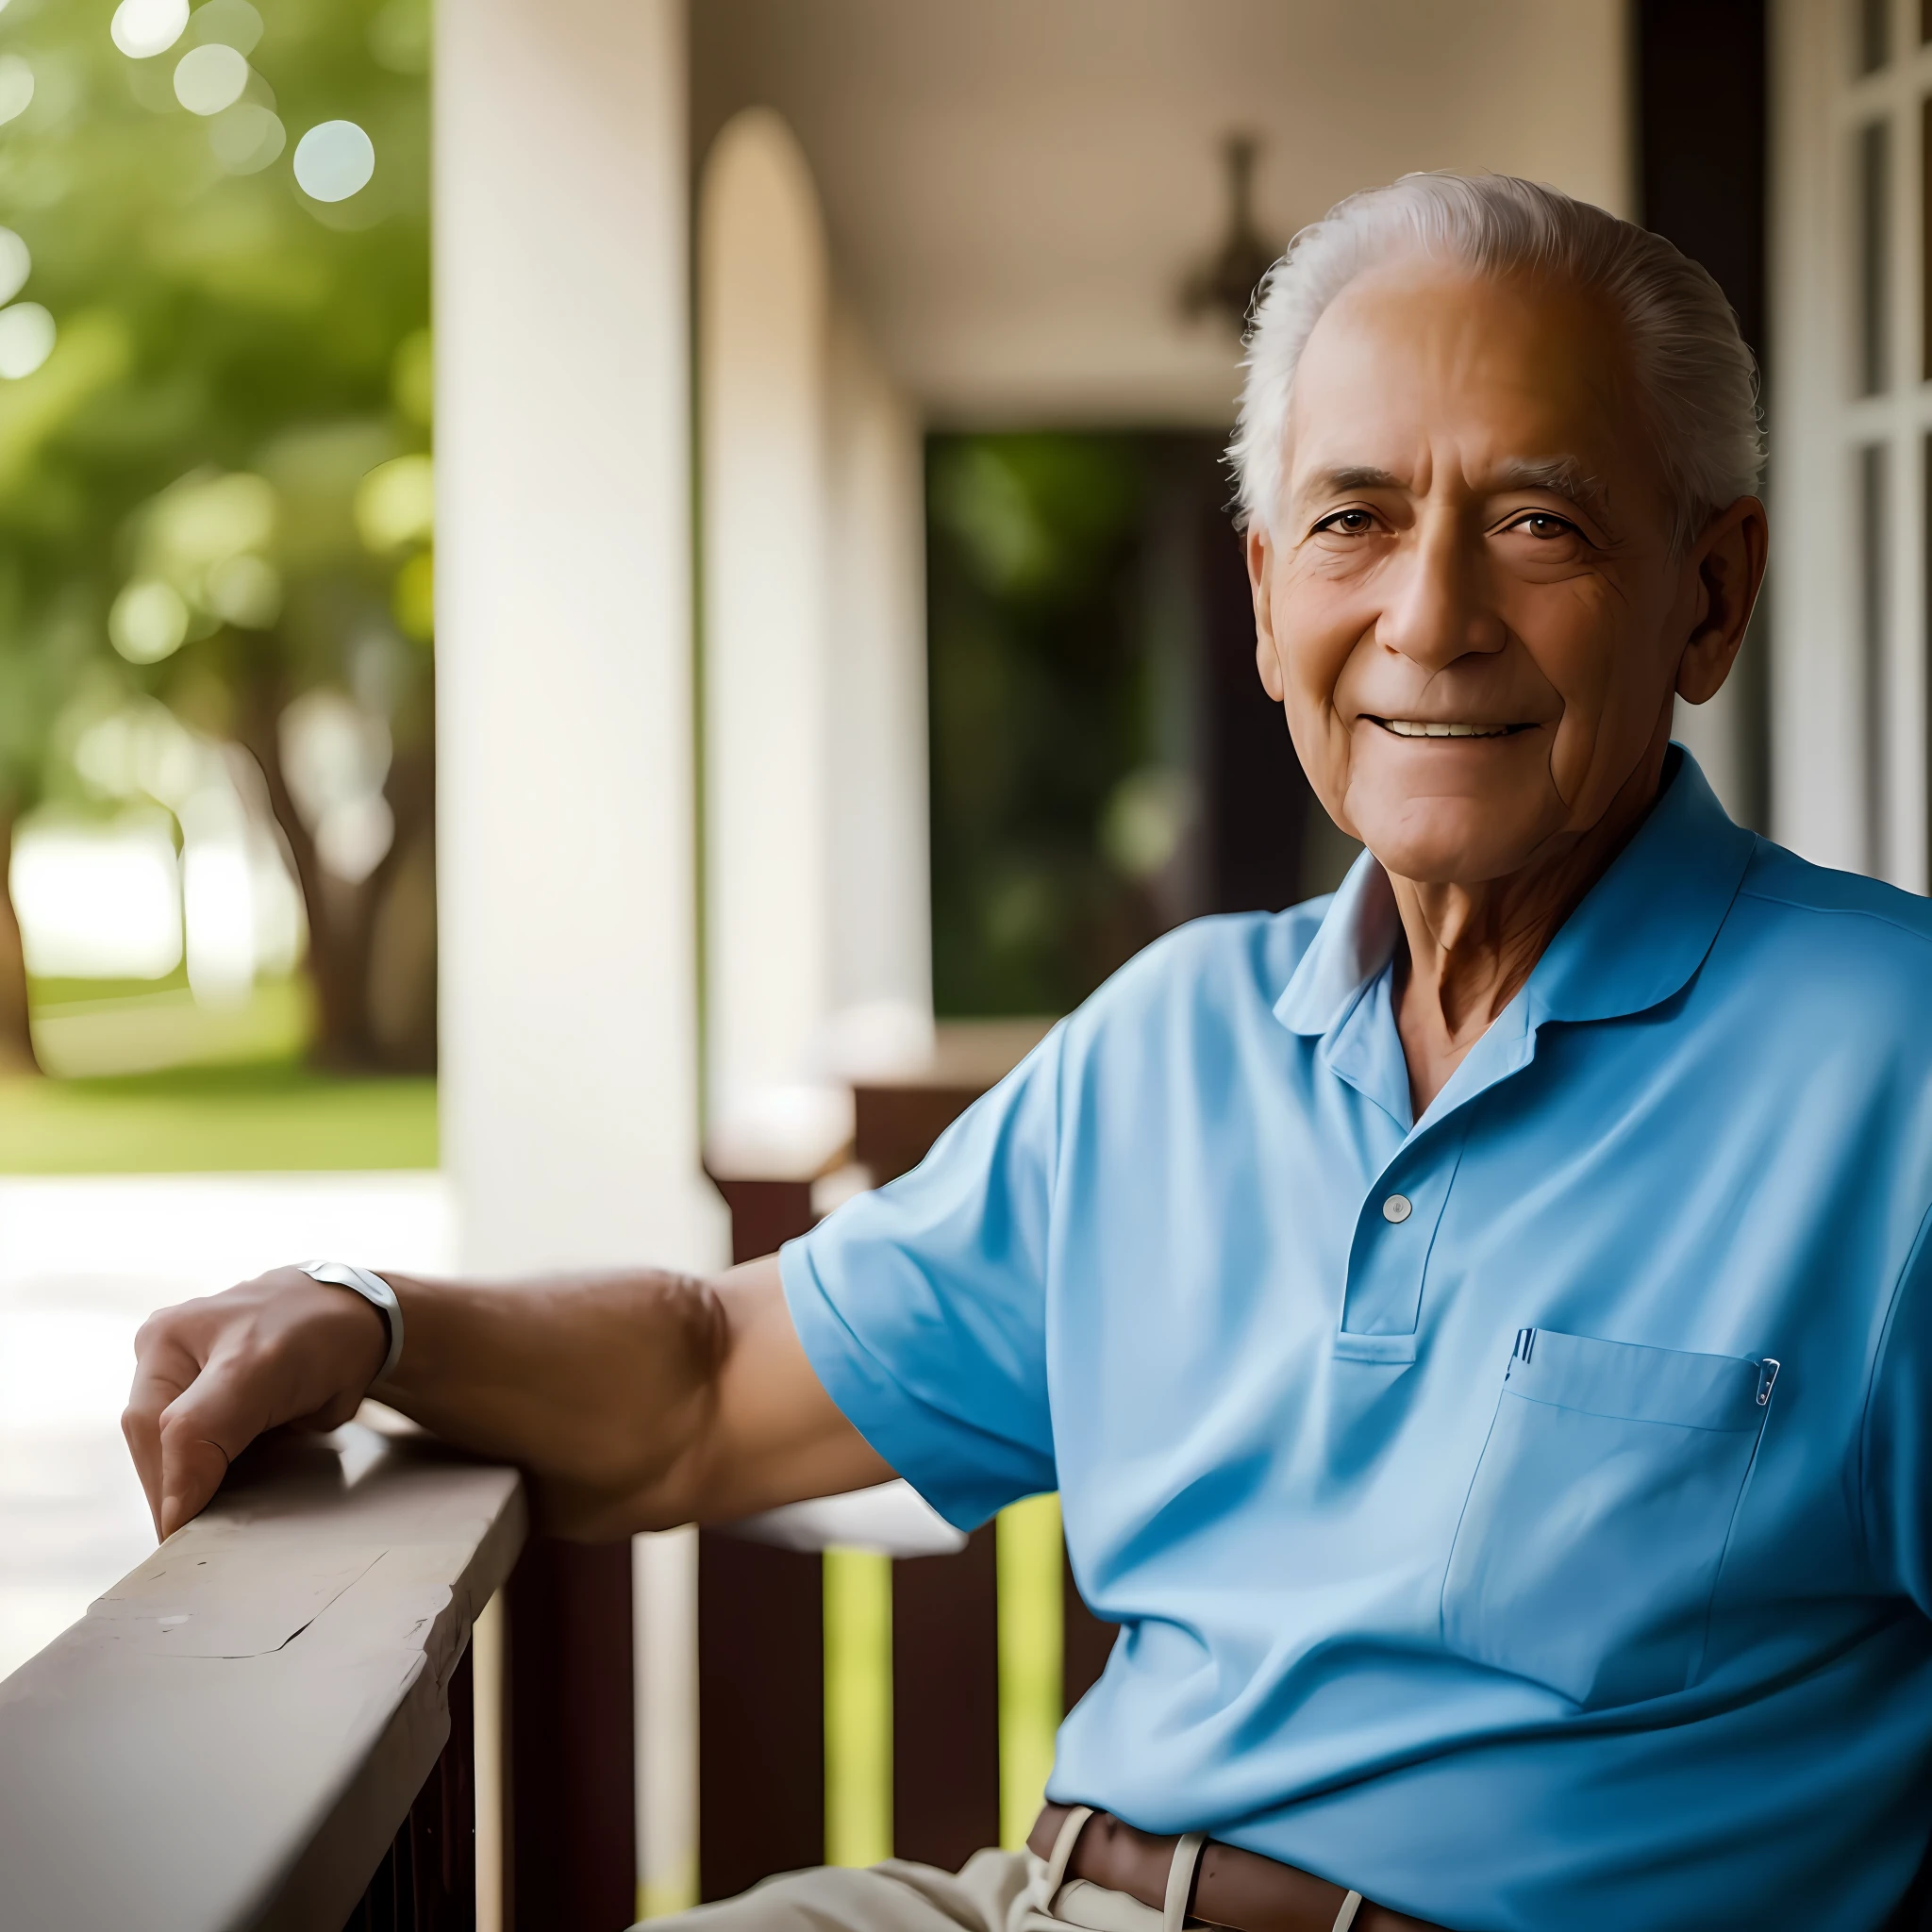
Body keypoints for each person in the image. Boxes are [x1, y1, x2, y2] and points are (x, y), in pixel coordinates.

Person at [123, 174, 1932, 1932]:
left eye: (1539, 521)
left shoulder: (1893, 1067)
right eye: (1354, 517)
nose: (1431, 612)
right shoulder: (1174, 1044)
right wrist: (365, 1317)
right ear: (1262, 595)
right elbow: (697, 1389)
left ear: (1709, 595)